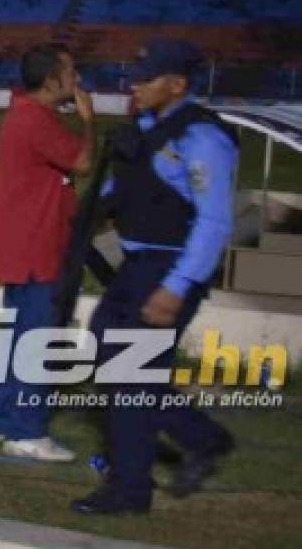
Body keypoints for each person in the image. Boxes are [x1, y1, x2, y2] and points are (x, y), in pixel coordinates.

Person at [72, 39, 238, 515]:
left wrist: (177, 286)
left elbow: (214, 221)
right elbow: (123, 192)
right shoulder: (146, 129)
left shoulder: (202, 138)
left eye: (146, 78)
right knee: (115, 362)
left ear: (177, 85)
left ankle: (129, 489)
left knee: (129, 377)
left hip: (169, 268)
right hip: (138, 266)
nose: (135, 85)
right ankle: (202, 438)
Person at [0, 44, 96, 461]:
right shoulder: (36, 119)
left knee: (17, 337)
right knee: (36, 340)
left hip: (23, 243)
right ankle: (26, 431)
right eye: (72, 72)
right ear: (52, 81)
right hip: (38, 246)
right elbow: (83, 162)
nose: (77, 80)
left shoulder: (25, 113)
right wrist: (89, 122)